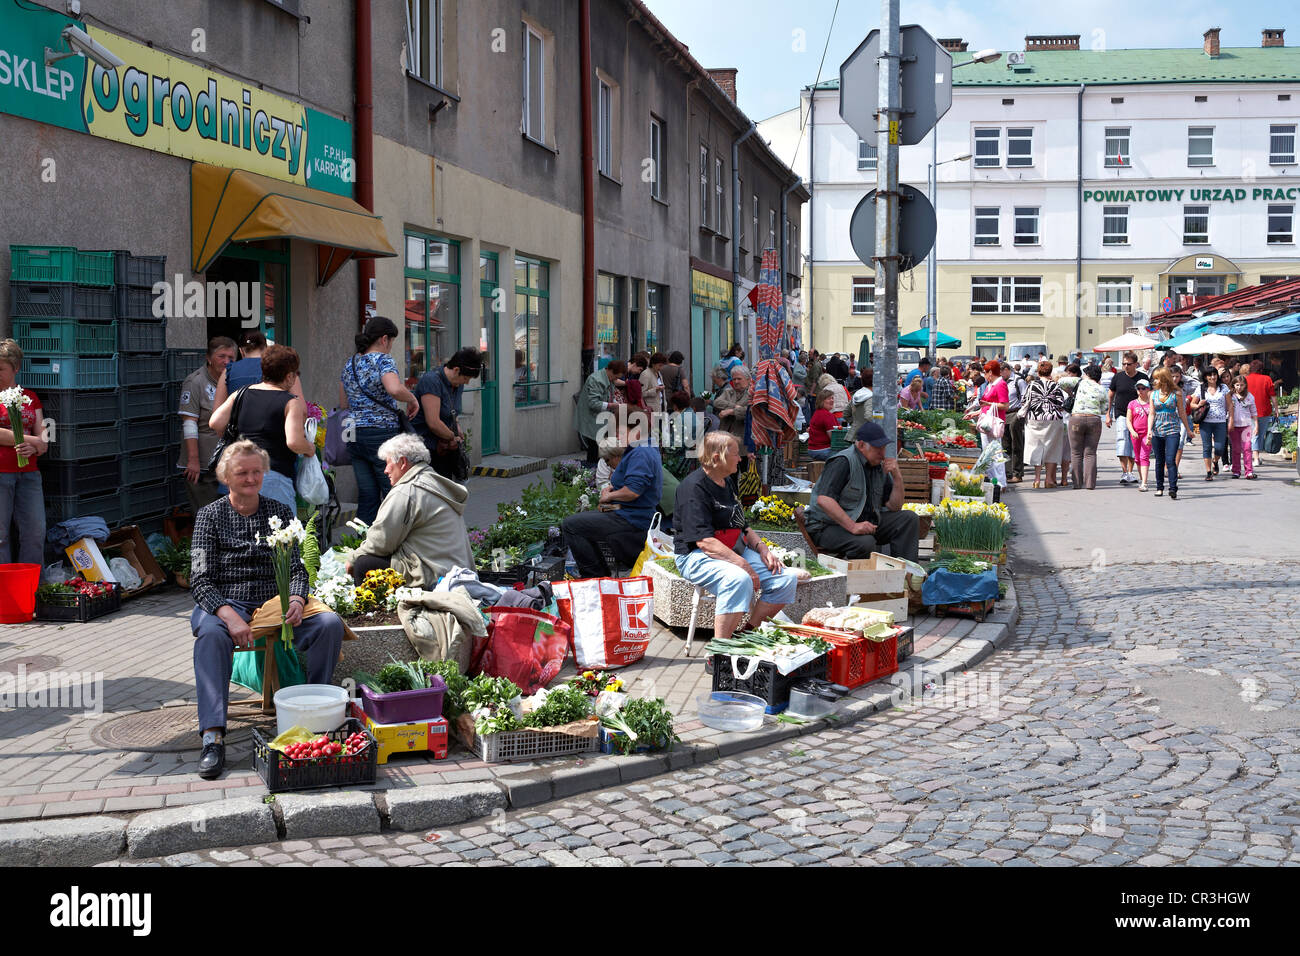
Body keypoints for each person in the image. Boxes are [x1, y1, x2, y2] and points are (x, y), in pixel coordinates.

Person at [190, 441, 345, 779]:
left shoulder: (280, 511)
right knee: (211, 637)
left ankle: (315, 712)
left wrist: (297, 598)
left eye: (256, 472)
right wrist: (229, 616)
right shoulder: (209, 516)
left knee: (329, 624)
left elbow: (298, 569)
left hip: (275, 603)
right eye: (242, 473)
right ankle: (213, 737)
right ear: (225, 477)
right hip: (225, 603)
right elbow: (199, 580)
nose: (250, 478)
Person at [672, 432, 798, 643]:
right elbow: (704, 542)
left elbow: (743, 525)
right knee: (738, 579)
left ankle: (747, 634)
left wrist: (763, 548)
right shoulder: (693, 488)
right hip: (696, 555)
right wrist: (744, 566)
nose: (740, 459)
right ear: (716, 458)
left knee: (785, 579)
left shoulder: (726, 481)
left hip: (732, 550)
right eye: (735, 454)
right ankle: (719, 651)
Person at [345, 433, 473, 587]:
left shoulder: (406, 491)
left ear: (403, 462)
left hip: (434, 574)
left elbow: (381, 541)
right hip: (455, 569)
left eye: (388, 463)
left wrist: (352, 559)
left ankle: (373, 609)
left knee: (363, 565)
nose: (385, 470)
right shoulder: (432, 480)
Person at [209, 344, 315, 512]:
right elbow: (294, 442)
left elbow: (215, 422)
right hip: (273, 474)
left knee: (245, 532)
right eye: (295, 374)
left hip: (240, 473)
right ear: (288, 376)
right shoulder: (290, 402)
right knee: (279, 533)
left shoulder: (241, 393)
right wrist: (310, 448)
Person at [339, 316, 420, 524]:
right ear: (384, 339)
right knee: (393, 491)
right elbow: (394, 389)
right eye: (392, 341)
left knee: (367, 496)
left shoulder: (351, 363)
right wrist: (411, 399)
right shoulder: (383, 360)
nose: (391, 346)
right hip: (381, 434)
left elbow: (343, 403)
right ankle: (400, 544)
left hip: (354, 435)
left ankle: (362, 547)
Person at [563, 414, 664, 577]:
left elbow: (633, 492)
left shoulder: (640, 453)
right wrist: (609, 493)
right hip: (628, 512)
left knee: (571, 525)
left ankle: (595, 577)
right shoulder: (639, 449)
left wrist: (609, 496)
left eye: (620, 432)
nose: (617, 436)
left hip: (633, 519)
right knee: (585, 519)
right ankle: (598, 575)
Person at [801, 422, 918, 561]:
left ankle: (906, 574)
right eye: (878, 449)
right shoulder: (843, 461)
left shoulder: (878, 465)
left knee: (909, 519)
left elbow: (895, 506)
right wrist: (853, 526)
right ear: (861, 445)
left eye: (884, 448)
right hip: (827, 527)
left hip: (866, 523)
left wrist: (897, 477)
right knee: (865, 542)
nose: (883, 454)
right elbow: (824, 499)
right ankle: (858, 580)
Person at [0, 339, 48, 564]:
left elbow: (45, 438)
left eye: (1, 369)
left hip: (29, 474)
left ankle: (31, 588)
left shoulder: (30, 397)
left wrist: (38, 445)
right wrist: (31, 440)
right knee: (0, 536)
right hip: (1, 473)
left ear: (15, 368)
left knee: (35, 533)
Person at [178, 336, 237, 512]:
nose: (227, 361)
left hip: (226, 462)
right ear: (209, 358)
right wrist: (193, 460)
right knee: (208, 515)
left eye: (231, 357)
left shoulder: (233, 379)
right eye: (222, 356)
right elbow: (189, 423)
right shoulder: (195, 382)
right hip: (203, 466)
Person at [413, 347, 482, 480]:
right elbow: (433, 422)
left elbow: (452, 412)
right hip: (425, 450)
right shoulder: (431, 381)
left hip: (444, 450)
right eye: (466, 378)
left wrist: (457, 428)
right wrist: (453, 438)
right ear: (456, 370)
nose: (466, 382)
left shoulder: (457, 384)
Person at [211, 330, 305, 414]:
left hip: (239, 432)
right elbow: (302, 410)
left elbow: (216, 413)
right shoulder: (284, 368)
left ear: (241, 351)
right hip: (275, 430)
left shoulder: (228, 371)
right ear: (266, 348)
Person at [1022, 360, 1069, 489]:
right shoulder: (1055, 386)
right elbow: (1061, 404)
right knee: (1051, 448)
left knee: (1036, 447)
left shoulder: (1031, 385)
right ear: (1050, 371)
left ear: (1038, 371)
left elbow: (1024, 401)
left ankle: (1036, 479)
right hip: (1053, 419)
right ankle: (1048, 479)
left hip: (1034, 419)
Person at [1106, 351, 1149, 485]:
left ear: (1136, 364)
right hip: (1121, 414)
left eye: (1128, 364)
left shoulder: (1143, 377)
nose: (1126, 366)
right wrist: (1108, 413)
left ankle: (1130, 472)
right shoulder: (1118, 377)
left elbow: (1149, 394)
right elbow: (1111, 394)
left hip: (1139, 415)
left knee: (1133, 443)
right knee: (1122, 440)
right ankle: (1124, 472)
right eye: (1124, 364)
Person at [1149, 368, 1190, 499]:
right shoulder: (1153, 394)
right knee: (1159, 460)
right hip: (1157, 430)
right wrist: (1149, 430)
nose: (1155, 381)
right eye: (1154, 378)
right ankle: (1159, 487)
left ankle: (1173, 488)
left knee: (1170, 459)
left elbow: (1182, 412)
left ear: (1164, 378)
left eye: (1157, 378)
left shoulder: (1176, 393)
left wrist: (1188, 429)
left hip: (1173, 430)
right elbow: (1151, 413)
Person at [575, 359, 626, 465]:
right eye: (616, 377)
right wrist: (613, 405)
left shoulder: (608, 379)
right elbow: (593, 403)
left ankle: (594, 471)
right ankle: (592, 473)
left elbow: (609, 396)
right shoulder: (596, 380)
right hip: (592, 419)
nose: (616, 380)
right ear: (611, 371)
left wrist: (616, 403)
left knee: (599, 449)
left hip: (600, 419)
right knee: (594, 449)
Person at [1069, 363, 1107, 490]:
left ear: (1088, 374)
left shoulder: (1080, 382)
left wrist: (1070, 392)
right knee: (1090, 453)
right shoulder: (1101, 388)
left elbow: (1062, 381)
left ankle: (1077, 483)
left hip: (1077, 418)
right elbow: (1104, 408)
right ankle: (1090, 484)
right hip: (1094, 419)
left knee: (1075, 452)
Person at [1189, 366, 1229, 481]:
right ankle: (1208, 472)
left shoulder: (1223, 387)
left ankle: (1215, 461)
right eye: (1210, 375)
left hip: (1220, 421)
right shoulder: (1201, 388)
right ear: (1205, 377)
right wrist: (1199, 405)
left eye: (1214, 374)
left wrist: (1230, 420)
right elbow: (1192, 404)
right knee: (1206, 447)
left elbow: (1230, 404)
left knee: (1219, 447)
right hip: (1205, 422)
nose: (1213, 377)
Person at [977, 360, 1009, 488]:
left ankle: (1000, 484)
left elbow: (1005, 406)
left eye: (985, 372)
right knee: (988, 453)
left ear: (990, 372)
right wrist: (975, 412)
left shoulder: (1000, 384)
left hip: (993, 423)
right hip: (987, 421)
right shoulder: (991, 384)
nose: (984, 375)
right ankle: (993, 481)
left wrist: (988, 404)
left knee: (995, 454)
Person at [1245, 359, 1277, 469]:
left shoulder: (1245, 379)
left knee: (1254, 434)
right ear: (1261, 369)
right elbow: (1273, 396)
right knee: (1260, 434)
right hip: (1264, 411)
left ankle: (1256, 458)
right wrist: (1276, 409)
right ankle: (1256, 457)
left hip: (1249, 411)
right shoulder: (1267, 379)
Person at [1001, 362, 1028, 484]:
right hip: (1004, 414)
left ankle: (1017, 473)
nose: (1000, 375)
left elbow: (1025, 398)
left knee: (1016, 444)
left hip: (1015, 413)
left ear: (1007, 370)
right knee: (1005, 445)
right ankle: (1008, 473)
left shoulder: (1018, 381)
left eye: (1001, 372)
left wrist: (1020, 415)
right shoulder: (1002, 382)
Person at [1227, 374, 1258, 480]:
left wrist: (1256, 425)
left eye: (1242, 385)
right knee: (1236, 449)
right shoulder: (1230, 396)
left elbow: (1254, 411)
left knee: (1247, 448)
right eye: (1237, 385)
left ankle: (1249, 471)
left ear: (1245, 385)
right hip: (1234, 426)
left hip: (1246, 426)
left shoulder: (1249, 396)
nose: (1239, 387)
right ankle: (1236, 471)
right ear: (1233, 385)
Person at [713, 366, 752, 450]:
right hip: (725, 437)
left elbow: (750, 411)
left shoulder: (752, 393)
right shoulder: (729, 392)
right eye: (734, 379)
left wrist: (731, 411)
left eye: (739, 379)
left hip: (742, 439)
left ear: (748, 379)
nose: (736, 382)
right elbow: (717, 402)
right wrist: (735, 406)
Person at [1127, 381, 1153, 492]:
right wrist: (1132, 431)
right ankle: (1142, 478)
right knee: (1137, 458)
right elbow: (1128, 420)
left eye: (1143, 388)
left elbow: (1153, 418)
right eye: (1138, 388)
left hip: (1147, 434)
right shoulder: (1132, 403)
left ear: (1148, 389)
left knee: (1144, 456)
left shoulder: (1151, 404)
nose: (1140, 390)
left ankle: (1144, 483)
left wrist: (1150, 433)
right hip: (1135, 434)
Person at [806, 389, 839, 462]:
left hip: (813, 450)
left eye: (832, 398)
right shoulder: (827, 415)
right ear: (821, 401)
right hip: (822, 450)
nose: (832, 400)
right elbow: (834, 438)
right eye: (828, 398)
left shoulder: (817, 413)